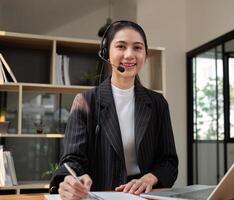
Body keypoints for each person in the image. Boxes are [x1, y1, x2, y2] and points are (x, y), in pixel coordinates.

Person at [49, 20, 178, 200]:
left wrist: (150, 178)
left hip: (143, 196)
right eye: (121, 46)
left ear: (145, 55)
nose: (129, 55)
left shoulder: (157, 103)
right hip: (100, 194)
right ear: (106, 53)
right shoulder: (85, 101)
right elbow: (72, 160)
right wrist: (69, 181)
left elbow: (169, 162)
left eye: (137, 48)